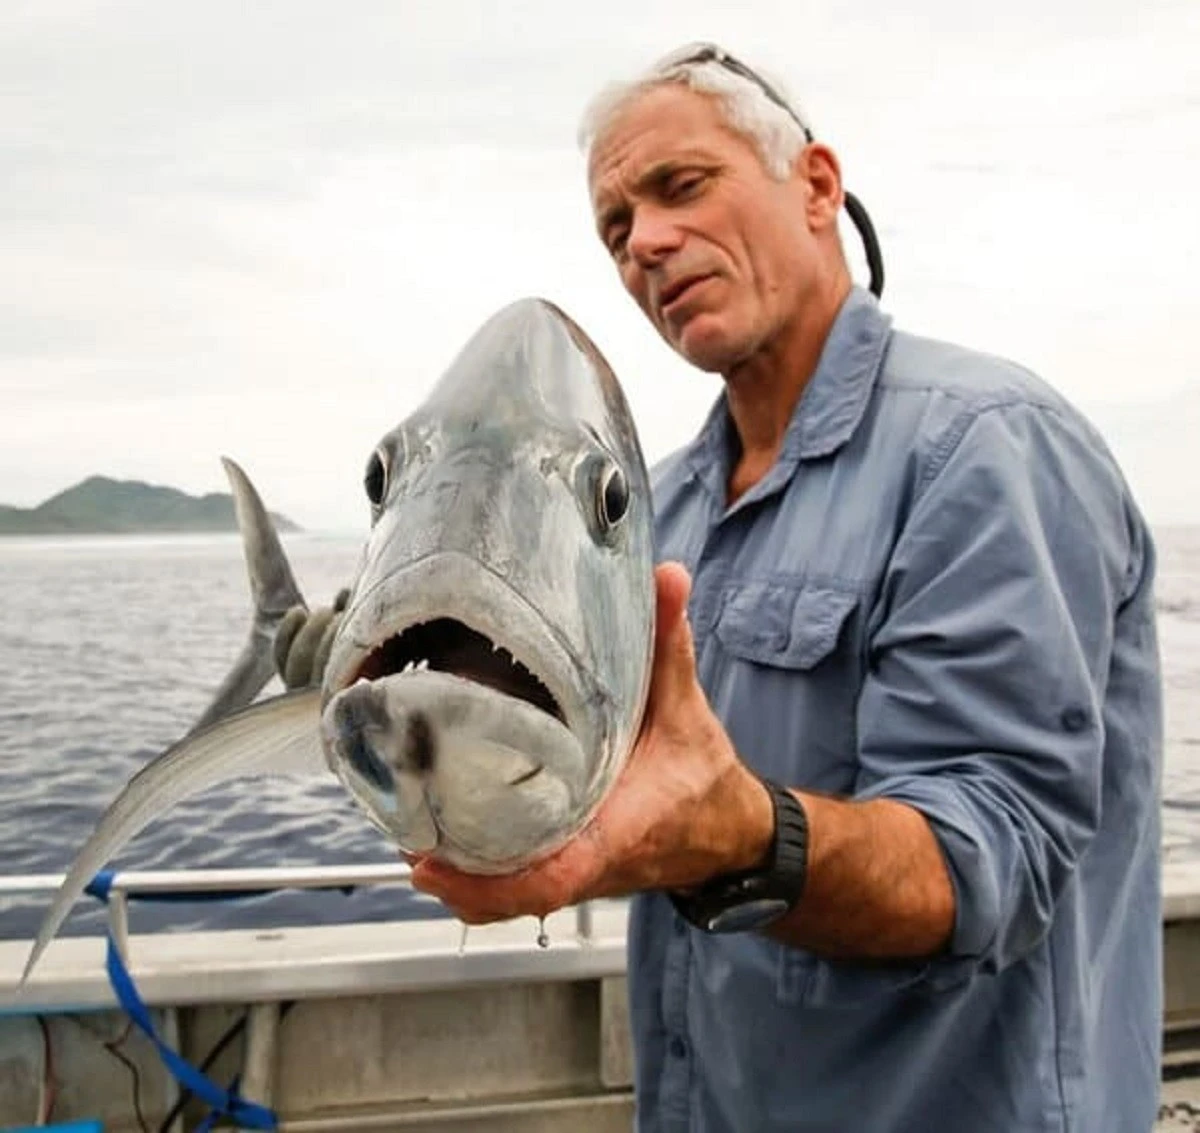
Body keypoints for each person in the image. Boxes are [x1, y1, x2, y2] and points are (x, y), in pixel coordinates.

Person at [285, 43, 1166, 1132]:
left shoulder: (985, 447)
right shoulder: (660, 506)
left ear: (818, 186)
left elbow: (990, 861)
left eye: (682, 186)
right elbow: (637, 801)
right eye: (616, 227)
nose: (646, 243)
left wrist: (742, 839)